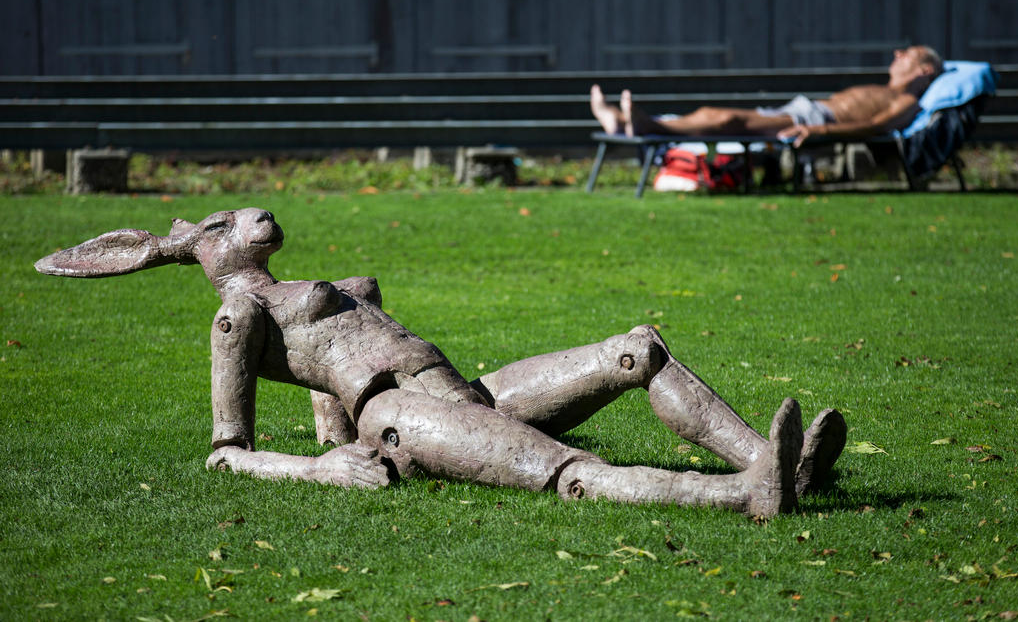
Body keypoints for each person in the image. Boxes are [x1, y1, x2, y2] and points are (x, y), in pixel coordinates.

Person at [35, 208, 848, 517]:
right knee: (566, 470)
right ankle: (742, 495)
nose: (249, 213)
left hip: (467, 386)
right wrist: (327, 470)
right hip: (399, 413)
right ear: (202, 252)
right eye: (223, 222)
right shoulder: (235, 315)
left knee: (638, 347)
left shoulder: (321, 289)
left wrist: (326, 433)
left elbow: (332, 355)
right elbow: (225, 454)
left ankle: (774, 461)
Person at [590, 46, 943, 147]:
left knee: (724, 119)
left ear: (924, 70)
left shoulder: (906, 103)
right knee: (720, 117)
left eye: (907, 54)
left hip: (816, 121)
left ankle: (645, 125)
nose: (897, 53)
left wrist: (816, 132)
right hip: (806, 110)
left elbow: (872, 127)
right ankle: (623, 122)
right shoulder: (885, 90)